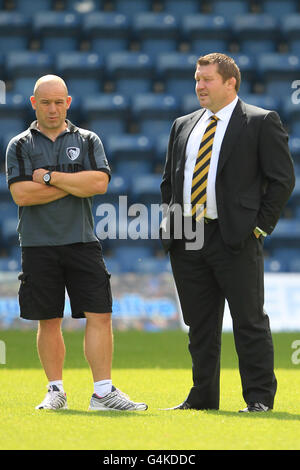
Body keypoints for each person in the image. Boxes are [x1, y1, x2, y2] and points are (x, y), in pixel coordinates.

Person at [160, 53, 295, 412]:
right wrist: (171, 225)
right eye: (197, 79)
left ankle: (259, 399)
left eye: (207, 79)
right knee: (200, 327)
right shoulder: (182, 124)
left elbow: (283, 180)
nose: (199, 86)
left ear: (230, 82)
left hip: (235, 236)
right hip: (187, 236)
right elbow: (169, 182)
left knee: (248, 322)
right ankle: (203, 397)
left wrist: (259, 226)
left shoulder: (261, 121)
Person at [5, 75, 147, 412]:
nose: (52, 109)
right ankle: (56, 391)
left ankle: (103, 393)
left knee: (101, 314)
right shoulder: (20, 144)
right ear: (33, 103)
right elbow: (21, 194)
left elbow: (98, 183)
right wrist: (74, 184)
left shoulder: (87, 139)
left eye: (58, 102)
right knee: (49, 319)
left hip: (82, 241)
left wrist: (51, 177)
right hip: (38, 244)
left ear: (68, 102)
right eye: (45, 102)